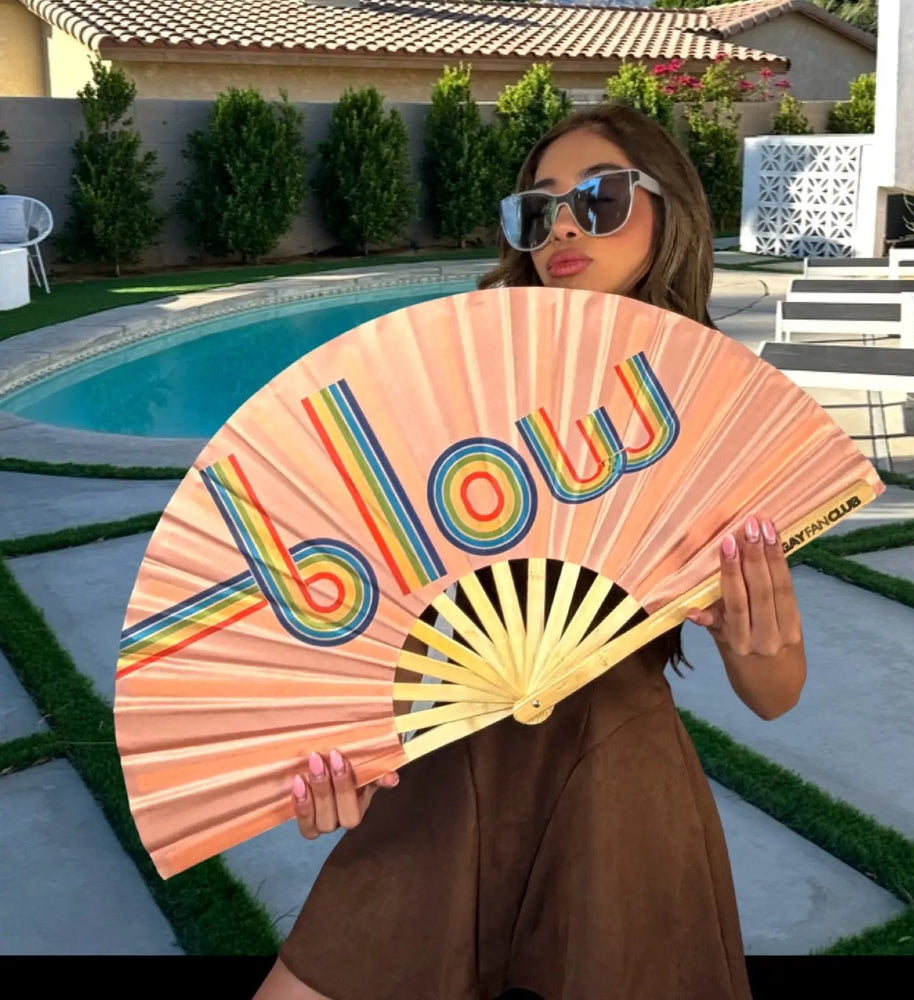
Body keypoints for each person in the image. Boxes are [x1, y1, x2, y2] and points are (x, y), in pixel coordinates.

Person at [254, 103, 807, 1000]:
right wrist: (338, 752)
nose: (559, 226)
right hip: (441, 765)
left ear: (674, 213)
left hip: (615, 777)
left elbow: (777, 695)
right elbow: (361, 593)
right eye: (536, 208)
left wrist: (758, 639)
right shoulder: (453, 390)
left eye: (599, 199)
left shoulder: (708, 419)